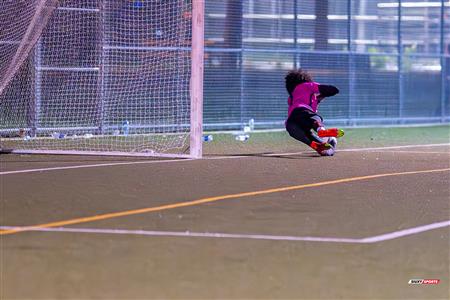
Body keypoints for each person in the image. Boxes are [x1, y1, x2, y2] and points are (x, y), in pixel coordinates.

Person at [285, 69, 344, 156]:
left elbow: (299, 109)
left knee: (309, 137)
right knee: (315, 118)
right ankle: (321, 131)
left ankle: (323, 146)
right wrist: (326, 92)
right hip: (303, 111)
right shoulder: (307, 85)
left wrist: (319, 98)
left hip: (291, 124)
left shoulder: (291, 97)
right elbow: (333, 90)